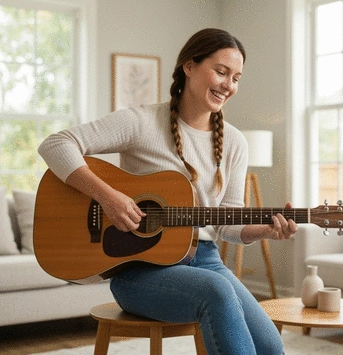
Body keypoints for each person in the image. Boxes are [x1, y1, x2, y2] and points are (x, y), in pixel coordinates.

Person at [38, 28, 297, 355]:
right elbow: (56, 144)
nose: (228, 85)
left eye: (236, 78)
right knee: (216, 291)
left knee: (271, 347)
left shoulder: (234, 142)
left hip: (206, 262)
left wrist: (264, 231)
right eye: (220, 72)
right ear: (189, 66)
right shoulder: (141, 122)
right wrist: (108, 196)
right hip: (137, 272)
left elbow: (225, 223)